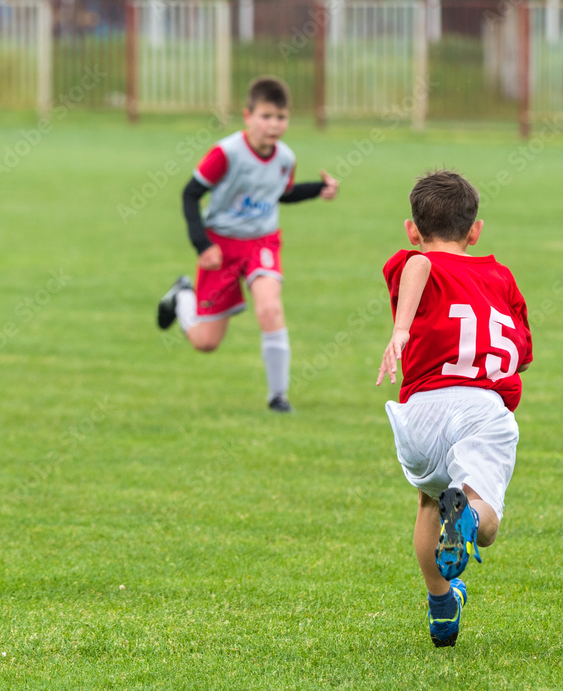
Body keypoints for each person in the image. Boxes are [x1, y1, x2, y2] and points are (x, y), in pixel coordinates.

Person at [375, 170, 533, 647]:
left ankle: (442, 604)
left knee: (428, 500)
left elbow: (419, 267)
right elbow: (521, 354)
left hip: (420, 412)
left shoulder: (410, 263)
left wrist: (404, 327)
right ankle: (465, 518)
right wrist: (402, 328)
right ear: (475, 230)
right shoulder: (499, 276)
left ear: (411, 230)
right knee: (483, 525)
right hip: (481, 411)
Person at [157, 76, 338, 412]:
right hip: (220, 246)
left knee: (270, 308)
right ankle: (182, 296)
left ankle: (278, 397)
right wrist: (202, 245)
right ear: (248, 115)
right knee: (205, 342)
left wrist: (318, 189)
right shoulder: (226, 154)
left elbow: (280, 193)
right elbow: (190, 193)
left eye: (281, 117)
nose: (274, 124)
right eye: (266, 116)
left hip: (262, 243)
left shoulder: (285, 157)